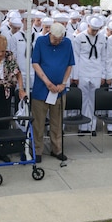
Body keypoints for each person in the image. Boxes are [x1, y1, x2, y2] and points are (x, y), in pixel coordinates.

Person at [30, 22, 75, 162]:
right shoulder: (41, 41)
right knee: (38, 122)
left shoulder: (66, 43)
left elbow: (69, 64)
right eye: (55, 39)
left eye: (60, 39)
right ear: (50, 33)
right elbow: (35, 63)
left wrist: (63, 83)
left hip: (59, 90)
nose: (57, 42)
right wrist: (47, 82)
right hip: (42, 88)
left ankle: (57, 149)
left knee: (57, 121)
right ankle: (37, 150)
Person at [71, 16, 107, 135]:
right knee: (83, 100)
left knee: (92, 100)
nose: (95, 32)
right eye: (93, 30)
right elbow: (76, 57)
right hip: (83, 71)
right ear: (88, 26)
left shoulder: (102, 38)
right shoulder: (79, 38)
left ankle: (91, 126)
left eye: (97, 30)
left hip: (96, 71)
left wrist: (103, 75)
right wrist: (75, 75)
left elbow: (103, 58)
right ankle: (82, 126)